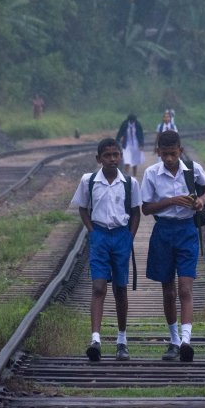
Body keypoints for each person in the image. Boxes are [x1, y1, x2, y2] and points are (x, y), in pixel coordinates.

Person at [140, 130, 205, 362]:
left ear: (180, 151)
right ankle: (173, 340)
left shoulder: (192, 169)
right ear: (158, 152)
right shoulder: (151, 174)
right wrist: (172, 201)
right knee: (168, 290)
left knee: (185, 288)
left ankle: (186, 340)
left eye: (173, 154)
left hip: (187, 231)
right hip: (163, 231)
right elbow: (146, 208)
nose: (169, 159)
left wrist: (201, 200)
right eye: (164, 154)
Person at [71, 138, 142, 362]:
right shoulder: (89, 181)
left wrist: (130, 237)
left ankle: (122, 340)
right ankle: (96, 339)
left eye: (115, 155)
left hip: (121, 235)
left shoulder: (130, 183)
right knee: (98, 286)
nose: (112, 159)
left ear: (121, 156)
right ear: (99, 159)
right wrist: (92, 231)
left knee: (120, 289)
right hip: (99, 235)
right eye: (107, 155)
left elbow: (136, 212)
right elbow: (83, 208)